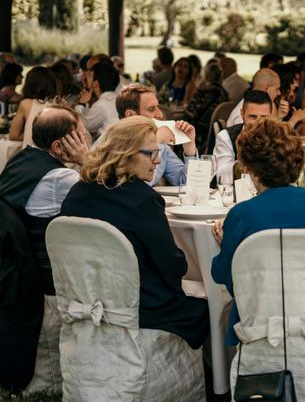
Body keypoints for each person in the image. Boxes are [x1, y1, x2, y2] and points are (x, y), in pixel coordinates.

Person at [59, 116, 208, 348]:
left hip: (89, 298)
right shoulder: (143, 201)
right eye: (151, 153)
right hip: (142, 308)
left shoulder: (77, 192)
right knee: (207, 308)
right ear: (126, 154)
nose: (158, 161)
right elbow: (172, 266)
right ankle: (216, 379)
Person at [211, 117, 305, 346]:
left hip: (261, 335)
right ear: (298, 160)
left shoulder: (242, 214)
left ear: (246, 165)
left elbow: (225, 278)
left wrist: (228, 243)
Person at [0, 103, 88, 295]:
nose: (85, 141)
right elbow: (106, 200)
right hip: (45, 275)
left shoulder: (20, 158)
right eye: (80, 136)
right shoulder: (61, 177)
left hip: (14, 264)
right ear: (57, 146)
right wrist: (85, 160)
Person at [115, 84, 198, 186]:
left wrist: (190, 150)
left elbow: (188, 183)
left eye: (158, 107)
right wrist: (155, 142)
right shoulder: (114, 143)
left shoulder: (163, 146)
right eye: (151, 109)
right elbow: (131, 188)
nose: (160, 115)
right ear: (131, 115)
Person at [214, 90, 272, 185]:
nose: (258, 122)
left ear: (270, 115)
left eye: (263, 117)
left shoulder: (278, 137)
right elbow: (222, 178)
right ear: (242, 114)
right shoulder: (226, 136)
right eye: (253, 117)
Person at [184, 61, 229, 153]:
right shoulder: (224, 92)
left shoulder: (206, 91)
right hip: (214, 130)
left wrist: (185, 106)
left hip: (200, 131)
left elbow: (192, 112)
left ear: (205, 75)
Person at [9, 66, 57, 146]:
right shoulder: (60, 104)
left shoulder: (26, 103)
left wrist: (30, 134)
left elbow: (13, 135)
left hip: (32, 154)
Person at [78, 61, 120, 139]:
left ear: (95, 83)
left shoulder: (102, 104)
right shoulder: (116, 97)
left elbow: (82, 127)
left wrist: (81, 104)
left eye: (90, 75)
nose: (86, 77)